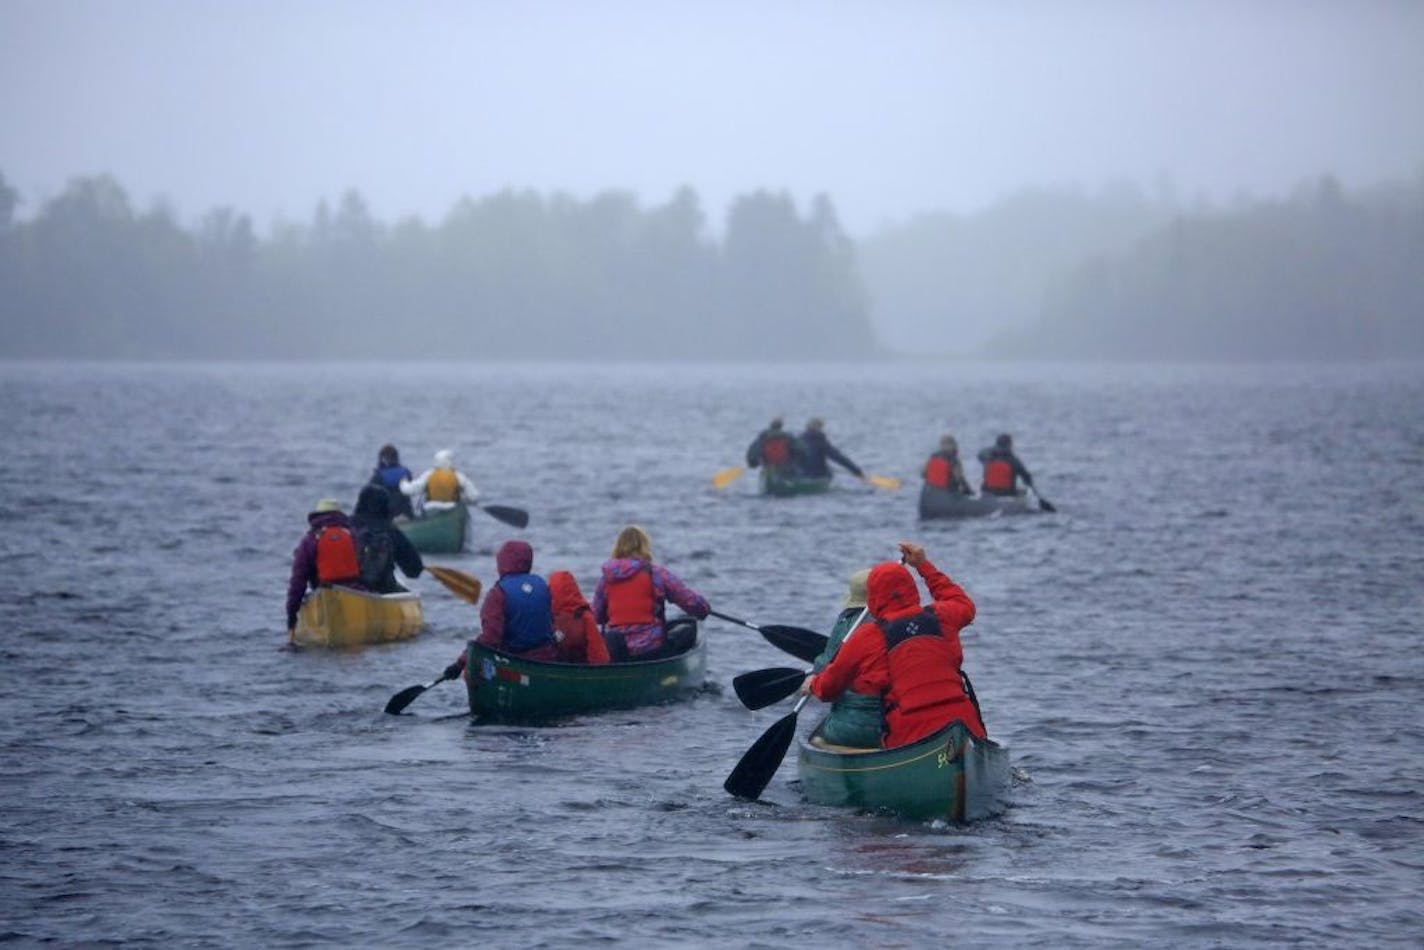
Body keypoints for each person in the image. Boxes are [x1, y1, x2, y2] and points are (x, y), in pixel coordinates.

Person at [801, 541, 986, 748]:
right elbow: (963, 603)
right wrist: (923, 566)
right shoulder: (943, 615)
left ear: (874, 598)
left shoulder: (866, 637)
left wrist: (813, 684)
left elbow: (828, 689)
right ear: (911, 588)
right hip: (964, 724)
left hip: (910, 734)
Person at [443, 539, 558, 680]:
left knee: (471, 672)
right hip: (547, 661)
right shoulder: (542, 585)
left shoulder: (498, 593)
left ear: (502, 562)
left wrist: (460, 664)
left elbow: (490, 639)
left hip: (516, 664)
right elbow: (552, 623)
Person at [592, 525, 710, 661]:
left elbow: (597, 615)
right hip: (650, 649)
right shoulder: (656, 573)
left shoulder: (606, 579)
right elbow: (690, 601)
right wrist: (704, 609)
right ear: (645, 547)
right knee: (690, 628)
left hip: (617, 650)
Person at [808, 568, 882, 748]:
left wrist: (811, 682)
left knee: (819, 737)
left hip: (847, 729)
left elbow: (826, 668)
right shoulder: (896, 623)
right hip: (892, 726)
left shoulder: (845, 626)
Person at [285, 498, 367, 638]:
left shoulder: (310, 540)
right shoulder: (352, 535)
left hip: (324, 596)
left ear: (316, 517)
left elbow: (298, 581)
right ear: (340, 515)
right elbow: (364, 569)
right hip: (355, 594)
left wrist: (292, 618)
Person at [349, 484, 424, 594]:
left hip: (348, 587)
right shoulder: (391, 531)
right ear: (386, 506)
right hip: (383, 590)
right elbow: (414, 571)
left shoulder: (346, 526)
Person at [549, 570, 611, 665]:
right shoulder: (585, 616)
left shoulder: (549, 617)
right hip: (582, 668)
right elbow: (599, 656)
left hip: (554, 666)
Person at [400, 449, 480, 516]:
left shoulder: (429, 475)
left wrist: (403, 482)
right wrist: (465, 499)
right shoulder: (458, 476)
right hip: (452, 508)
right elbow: (474, 496)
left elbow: (409, 490)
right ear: (451, 461)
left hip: (431, 508)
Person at [798, 417, 864, 480]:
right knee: (827, 470)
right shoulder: (820, 442)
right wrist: (857, 471)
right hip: (818, 475)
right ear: (819, 428)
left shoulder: (798, 440)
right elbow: (838, 457)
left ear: (807, 427)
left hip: (800, 474)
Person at [976, 433, 1035, 497]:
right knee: (1023, 491)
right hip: (1007, 493)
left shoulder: (987, 458)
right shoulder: (1013, 460)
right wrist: (1030, 484)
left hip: (987, 492)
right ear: (1009, 445)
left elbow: (980, 454)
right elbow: (1026, 477)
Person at [367, 444, 414, 519]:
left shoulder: (379, 476)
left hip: (389, 515)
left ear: (383, 459)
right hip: (407, 511)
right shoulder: (406, 472)